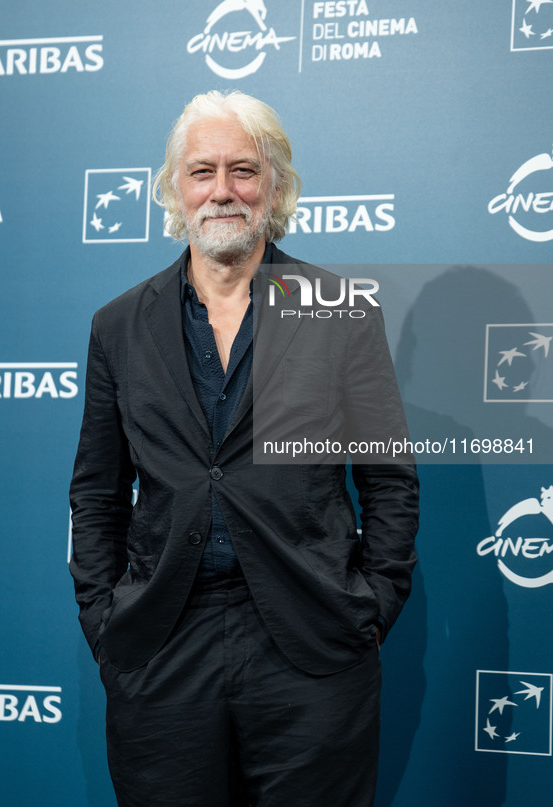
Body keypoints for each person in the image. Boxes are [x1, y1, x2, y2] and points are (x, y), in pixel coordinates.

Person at [69, 90, 419, 807]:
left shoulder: (339, 308)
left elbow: (388, 478)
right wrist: (105, 623)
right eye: (201, 171)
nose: (221, 190)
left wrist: (371, 607)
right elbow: (95, 492)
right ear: (173, 189)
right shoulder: (117, 326)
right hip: (163, 645)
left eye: (242, 169)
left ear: (275, 184)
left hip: (311, 642)